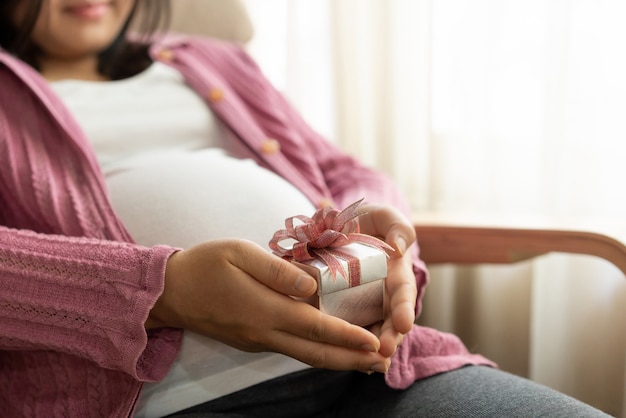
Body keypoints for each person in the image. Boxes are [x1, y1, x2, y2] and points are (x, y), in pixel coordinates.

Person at [0, 1, 611, 417]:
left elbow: (341, 170)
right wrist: (160, 293)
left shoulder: (210, 60)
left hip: (373, 375)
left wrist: (378, 226)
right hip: (172, 403)